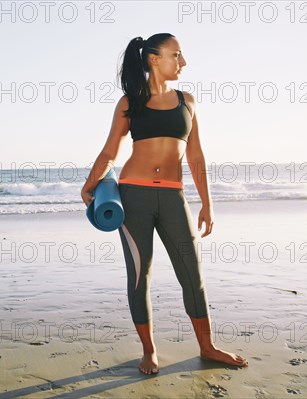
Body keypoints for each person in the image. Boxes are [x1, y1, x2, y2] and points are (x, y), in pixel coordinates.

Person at [81, 33, 249, 374]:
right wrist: (89, 184)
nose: (183, 62)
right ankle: (149, 352)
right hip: (133, 196)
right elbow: (111, 150)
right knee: (140, 276)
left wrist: (207, 203)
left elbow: (197, 156)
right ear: (154, 59)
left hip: (174, 196)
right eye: (177, 55)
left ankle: (208, 346)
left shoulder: (188, 101)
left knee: (193, 275)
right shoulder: (130, 102)